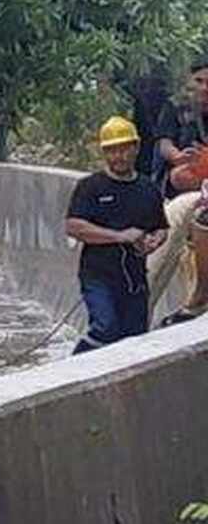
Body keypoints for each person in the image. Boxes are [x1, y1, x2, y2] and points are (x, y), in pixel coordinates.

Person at [65, 116, 168, 353]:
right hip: (98, 276)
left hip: (134, 279)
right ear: (104, 153)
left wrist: (154, 241)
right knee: (105, 327)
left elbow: (161, 227)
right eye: (112, 151)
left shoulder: (147, 188)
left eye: (124, 149)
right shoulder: (90, 187)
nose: (118, 156)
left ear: (136, 148)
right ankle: (72, 366)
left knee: (134, 338)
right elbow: (74, 226)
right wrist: (119, 236)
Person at [147, 59, 208, 324]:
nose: (204, 88)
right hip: (178, 192)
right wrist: (179, 158)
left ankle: (197, 302)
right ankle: (136, 315)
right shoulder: (176, 108)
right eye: (199, 81)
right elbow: (164, 144)